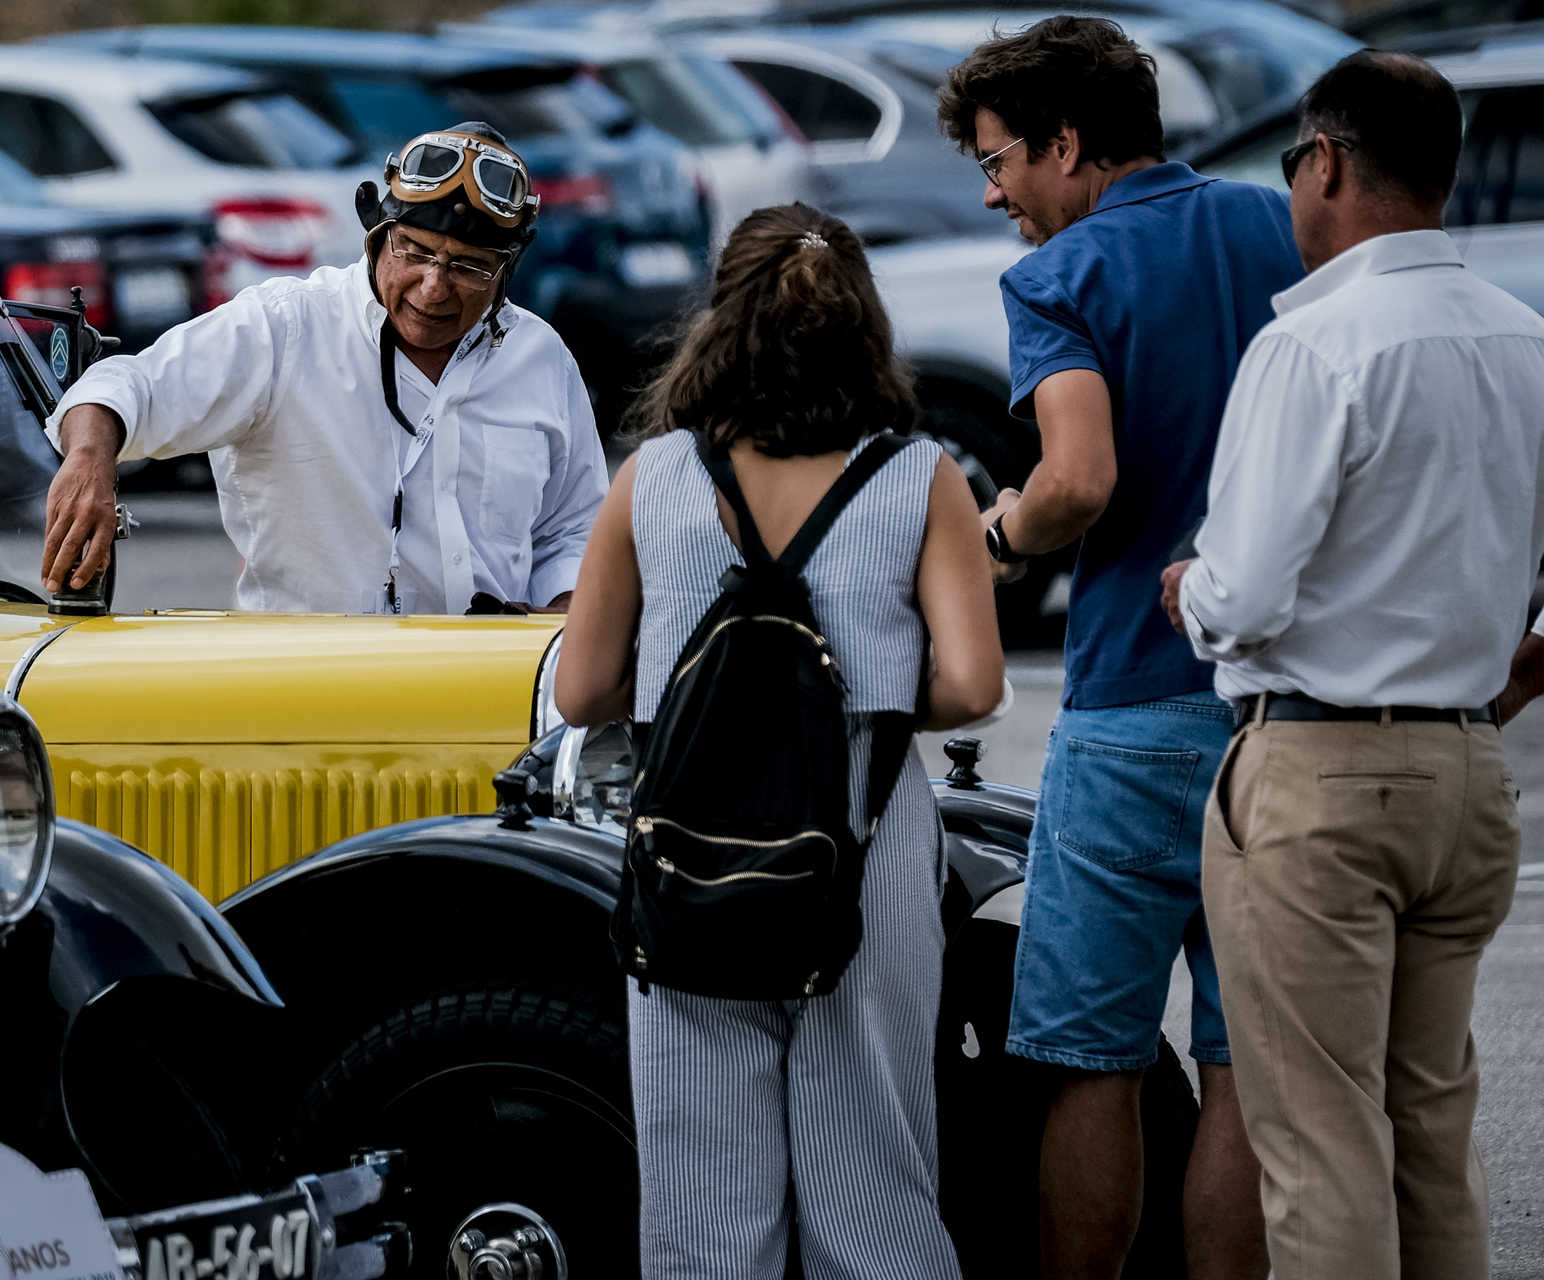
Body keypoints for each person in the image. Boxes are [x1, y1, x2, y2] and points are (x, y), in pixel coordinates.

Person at [555, 203, 1003, 1278]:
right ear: (865, 325)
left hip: (690, 848)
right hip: (861, 841)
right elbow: (978, 682)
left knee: (703, 1188)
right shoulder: (920, 477)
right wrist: (860, 693)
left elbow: (581, 690)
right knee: (871, 1169)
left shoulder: (652, 478)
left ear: (723, 320)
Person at [1162, 51, 1544, 1279]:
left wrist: (1190, 591)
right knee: (1431, 1131)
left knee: (1320, 1148)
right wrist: (1501, 672)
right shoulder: (1526, 337)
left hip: (1320, 769)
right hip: (1466, 774)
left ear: (1324, 160)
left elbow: (1248, 589)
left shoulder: (1317, 341)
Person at [935, 17, 1304, 1279]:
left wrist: (994, 532)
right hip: (1281, 711)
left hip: (1134, 710)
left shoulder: (1061, 276)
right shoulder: (1279, 226)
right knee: (1243, 1061)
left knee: (1088, 1056)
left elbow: (1076, 480)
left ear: (1069, 143)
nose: (994, 195)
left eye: (1000, 163)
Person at [39, 123, 606, 614]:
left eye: (468, 268)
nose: (433, 287)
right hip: (309, 692)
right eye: (414, 252)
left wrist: (560, 611)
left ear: (506, 271)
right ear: (377, 233)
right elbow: (126, 384)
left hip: (495, 695)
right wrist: (90, 459)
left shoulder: (541, 358)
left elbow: (574, 529)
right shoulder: (285, 328)